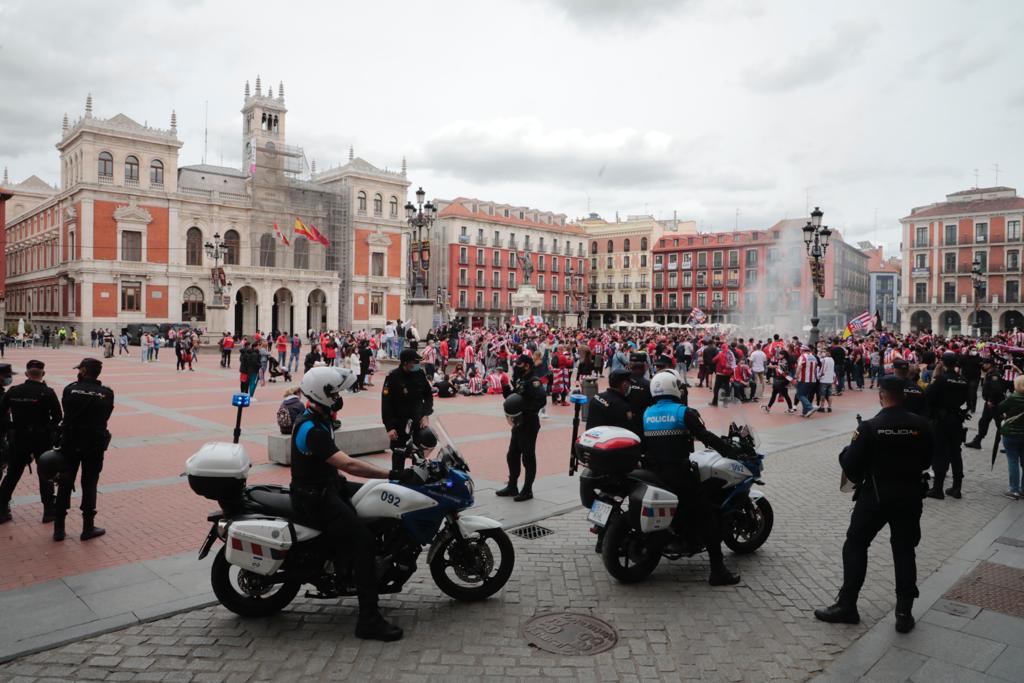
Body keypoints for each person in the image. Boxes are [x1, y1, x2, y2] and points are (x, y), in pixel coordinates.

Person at [289, 366, 404, 641]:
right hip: (316, 498)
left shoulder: (319, 417)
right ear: (324, 394)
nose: (340, 397)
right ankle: (368, 620)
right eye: (337, 392)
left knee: (378, 494)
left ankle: (349, 565)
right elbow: (348, 464)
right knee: (363, 541)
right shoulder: (311, 428)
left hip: (327, 487)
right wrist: (392, 473)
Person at [815, 376, 932, 634]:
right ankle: (904, 612)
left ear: (881, 395)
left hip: (875, 496)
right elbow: (926, 460)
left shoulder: (870, 427)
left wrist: (848, 452)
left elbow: (850, 464)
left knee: (856, 544)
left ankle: (847, 605)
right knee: (904, 551)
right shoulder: (922, 425)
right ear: (904, 396)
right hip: (909, 494)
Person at [643, 371, 741, 585]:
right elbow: (705, 437)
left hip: (656, 475)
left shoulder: (647, 413)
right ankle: (718, 571)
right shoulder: (682, 412)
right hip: (679, 476)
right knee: (709, 517)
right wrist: (730, 451)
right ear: (674, 387)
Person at [53, 358, 115, 542]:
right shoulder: (106, 393)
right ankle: (87, 527)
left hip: (70, 442)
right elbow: (107, 415)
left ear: (84, 370)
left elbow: (66, 411)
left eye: (79, 369)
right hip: (94, 444)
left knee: (64, 482)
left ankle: (59, 529)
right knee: (89, 483)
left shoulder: (70, 389)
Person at [0, 360, 63, 524]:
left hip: (19, 437)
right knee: (45, 473)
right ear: (43, 374)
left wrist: (12, 427)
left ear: (27, 373)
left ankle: (1, 510)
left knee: (13, 473)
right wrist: (48, 428)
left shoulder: (14, 391)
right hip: (41, 438)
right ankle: (49, 511)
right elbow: (58, 417)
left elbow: (1, 413)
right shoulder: (48, 392)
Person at [497, 354, 547, 502]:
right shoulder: (521, 379)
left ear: (527, 365)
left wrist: (527, 411)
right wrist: (505, 386)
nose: (515, 367)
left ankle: (527, 490)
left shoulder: (533, 381)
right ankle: (512, 486)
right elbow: (512, 398)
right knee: (512, 455)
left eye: (519, 364)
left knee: (528, 457)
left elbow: (541, 399)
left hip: (529, 424)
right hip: (518, 423)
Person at [924, 351, 969, 499]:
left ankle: (938, 489)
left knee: (940, 454)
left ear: (942, 362)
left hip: (941, 421)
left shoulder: (941, 379)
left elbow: (927, 396)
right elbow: (966, 399)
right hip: (956, 419)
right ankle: (957, 488)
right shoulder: (962, 380)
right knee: (956, 453)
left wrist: (935, 377)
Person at [381, 349, 434, 470]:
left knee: (419, 458)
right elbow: (386, 404)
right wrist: (389, 427)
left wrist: (425, 414)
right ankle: (397, 483)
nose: (417, 364)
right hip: (399, 424)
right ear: (405, 362)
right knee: (399, 458)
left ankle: (416, 482)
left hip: (417, 422)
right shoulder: (393, 377)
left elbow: (428, 396)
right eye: (414, 362)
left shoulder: (420, 374)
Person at [965, 358, 1007, 450]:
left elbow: (997, 390)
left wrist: (991, 400)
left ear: (990, 365)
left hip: (995, 404)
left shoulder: (994, 375)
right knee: (983, 422)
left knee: (1000, 424)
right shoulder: (991, 373)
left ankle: (1008, 444)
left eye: (985, 364)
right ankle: (977, 441)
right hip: (990, 403)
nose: (983, 365)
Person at [995, 375, 1024, 500]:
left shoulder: (1013, 397)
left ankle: (1014, 489)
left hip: (1011, 433)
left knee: (1013, 460)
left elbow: (999, 408)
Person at [585, 368, 637, 433]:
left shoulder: (596, 397)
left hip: (591, 438)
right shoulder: (622, 406)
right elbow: (629, 430)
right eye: (629, 384)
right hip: (608, 441)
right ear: (624, 385)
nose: (629, 386)